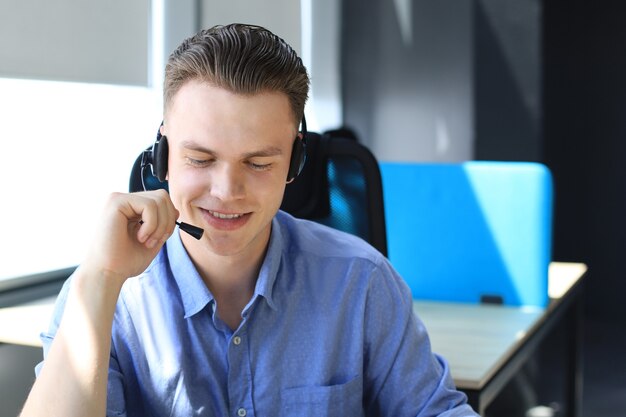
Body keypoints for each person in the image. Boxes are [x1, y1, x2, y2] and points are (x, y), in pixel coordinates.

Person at [20, 24, 478, 417]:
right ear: (162, 154)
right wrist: (100, 280)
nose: (226, 191)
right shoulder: (108, 295)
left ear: (295, 164)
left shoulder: (361, 283)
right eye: (200, 158)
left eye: (258, 163)